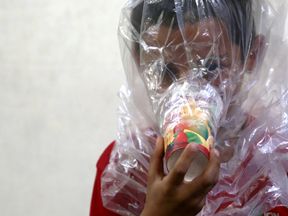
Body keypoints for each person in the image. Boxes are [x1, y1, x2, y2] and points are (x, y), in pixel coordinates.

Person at [90, 0, 266, 215]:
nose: (187, 94)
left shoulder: (275, 161)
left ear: (252, 55)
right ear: (140, 64)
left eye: (211, 67)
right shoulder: (124, 172)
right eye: (165, 70)